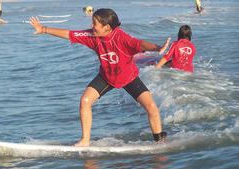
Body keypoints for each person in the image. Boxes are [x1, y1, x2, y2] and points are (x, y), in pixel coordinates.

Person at [30, 8, 170, 146]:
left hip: (128, 77)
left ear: (107, 27)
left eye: (95, 23)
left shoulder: (122, 38)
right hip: (107, 77)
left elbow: (139, 44)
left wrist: (157, 47)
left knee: (151, 107)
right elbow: (70, 34)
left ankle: (160, 141)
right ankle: (85, 140)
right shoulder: (92, 36)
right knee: (85, 101)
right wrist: (44, 29)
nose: (91, 26)